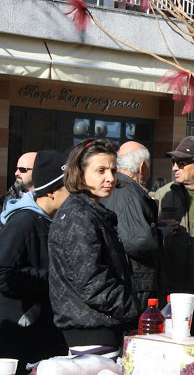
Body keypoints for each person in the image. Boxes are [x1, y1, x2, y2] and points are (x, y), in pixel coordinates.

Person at [48, 138, 139, 360]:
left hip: (99, 325)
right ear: (80, 174)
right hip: (91, 330)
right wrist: (136, 310)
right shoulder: (78, 216)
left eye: (113, 170)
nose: (110, 177)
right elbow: (93, 284)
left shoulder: (89, 211)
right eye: (101, 170)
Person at [0, 150, 69, 375]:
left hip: (45, 333)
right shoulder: (23, 221)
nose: (74, 193)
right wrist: (52, 278)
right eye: (68, 188)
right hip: (18, 336)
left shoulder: (53, 221)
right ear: (52, 191)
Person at [155, 136, 194, 337]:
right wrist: (159, 228)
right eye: (174, 162)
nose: (174, 168)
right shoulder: (163, 195)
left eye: (181, 163)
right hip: (170, 293)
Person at [102, 141, 162, 314]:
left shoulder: (115, 187)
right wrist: (162, 232)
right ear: (142, 166)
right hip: (136, 282)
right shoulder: (128, 191)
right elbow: (138, 241)